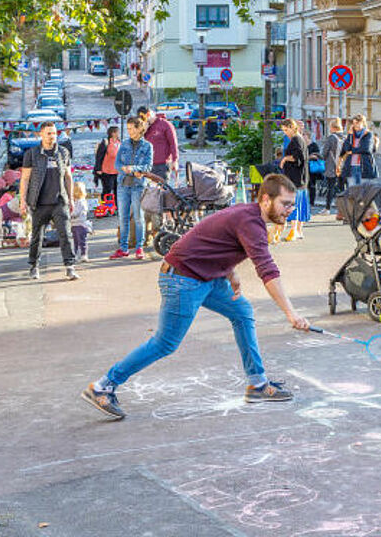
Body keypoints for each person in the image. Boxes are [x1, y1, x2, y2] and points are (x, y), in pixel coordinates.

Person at [81, 174, 310, 419]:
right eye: (285, 204)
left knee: (242, 312)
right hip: (183, 279)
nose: (290, 210)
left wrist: (230, 273)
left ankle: (257, 384)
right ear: (266, 199)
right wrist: (291, 313)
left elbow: (213, 242)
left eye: (291, 204)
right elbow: (267, 270)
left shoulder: (249, 216)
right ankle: (103, 386)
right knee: (165, 343)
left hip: (206, 278)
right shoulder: (251, 222)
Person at [19, 122, 78, 280]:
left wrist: (71, 198)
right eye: (48, 133)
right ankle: (33, 266)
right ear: (41, 134)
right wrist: (22, 201)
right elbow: (24, 179)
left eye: (54, 133)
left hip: (59, 201)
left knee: (66, 234)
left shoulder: (63, 152)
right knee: (37, 237)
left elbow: (68, 176)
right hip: (38, 202)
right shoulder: (32, 154)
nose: (52, 136)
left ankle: (70, 266)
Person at [109, 117, 153, 260]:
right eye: (127, 129)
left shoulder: (147, 146)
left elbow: (148, 166)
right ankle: (123, 248)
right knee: (123, 218)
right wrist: (124, 169)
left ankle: (139, 247)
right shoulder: (124, 144)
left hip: (138, 187)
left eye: (131, 128)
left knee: (139, 217)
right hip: (122, 185)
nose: (128, 131)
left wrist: (133, 168)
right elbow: (116, 164)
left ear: (139, 129)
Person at [276, 118, 309, 243]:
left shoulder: (295, 139)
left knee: (293, 204)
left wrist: (285, 159)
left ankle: (294, 230)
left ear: (291, 127)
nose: (285, 132)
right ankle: (298, 230)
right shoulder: (300, 138)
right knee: (300, 204)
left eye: (286, 129)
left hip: (295, 177)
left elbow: (298, 157)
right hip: (301, 177)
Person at [138, 106, 179, 182]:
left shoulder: (165, 125)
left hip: (162, 164)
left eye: (144, 118)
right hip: (149, 164)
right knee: (149, 191)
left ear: (149, 114)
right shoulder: (146, 127)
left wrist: (175, 160)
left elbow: (173, 143)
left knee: (162, 190)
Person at [339, 114, 374, 187]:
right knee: (352, 190)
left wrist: (352, 151)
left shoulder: (368, 134)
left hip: (363, 166)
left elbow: (366, 149)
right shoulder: (351, 135)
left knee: (363, 190)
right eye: (354, 123)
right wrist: (350, 135)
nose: (355, 125)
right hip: (351, 166)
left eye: (357, 123)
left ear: (362, 123)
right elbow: (346, 148)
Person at [321, 117, 345, 214]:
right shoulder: (344, 137)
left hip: (332, 166)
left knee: (331, 187)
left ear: (333, 127)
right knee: (342, 188)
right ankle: (342, 209)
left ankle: (327, 208)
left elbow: (324, 152)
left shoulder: (331, 138)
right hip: (343, 166)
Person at [94, 127, 120, 209]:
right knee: (107, 189)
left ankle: (116, 206)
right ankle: (105, 206)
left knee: (117, 190)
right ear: (112, 133)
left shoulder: (119, 142)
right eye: (117, 132)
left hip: (117, 171)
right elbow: (99, 156)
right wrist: (98, 169)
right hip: (107, 171)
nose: (118, 134)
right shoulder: (106, 142)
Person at [71, 182, 91, 262]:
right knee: (75, 241)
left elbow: (79, 212)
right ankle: (74, 255)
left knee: (82, 241)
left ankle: (83, 255)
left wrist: (72, 215)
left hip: (81, 224)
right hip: (74, 224)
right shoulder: (74, 201)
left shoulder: (81, 201)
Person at [306, 134, 324, 207]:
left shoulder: (314, 145)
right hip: (304, 168)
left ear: (308, 137)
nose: (303, 137)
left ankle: (311, 202)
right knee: (305, 185)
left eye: (304, 135)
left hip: (312, 168)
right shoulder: (302, 145)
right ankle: (306, 201)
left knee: (312, 185)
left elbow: (318, 156)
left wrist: (309, 157)